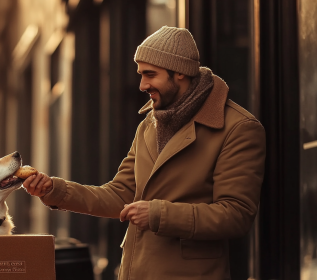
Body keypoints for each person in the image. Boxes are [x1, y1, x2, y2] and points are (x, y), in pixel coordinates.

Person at [23, 26, 266, 279]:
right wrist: (55, 190)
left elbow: (236, 215)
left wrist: (159, 214)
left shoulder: (238, 128)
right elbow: (120, 195)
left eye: (150, 74)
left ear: (180, 72)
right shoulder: (149, 125)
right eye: (140, 74)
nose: (142, 84)